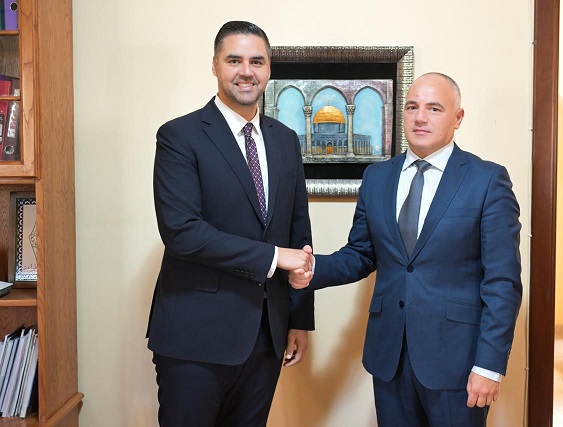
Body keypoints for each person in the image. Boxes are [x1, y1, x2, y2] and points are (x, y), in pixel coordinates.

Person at [290, 72, 522, 427]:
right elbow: (361, 254)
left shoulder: (487, 180)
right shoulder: (377, 177)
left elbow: (502, 282)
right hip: (389, 357)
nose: (420, 117)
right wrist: (311, 268)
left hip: (458, 362)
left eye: (434, 108)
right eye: (412, 107)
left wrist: (489, 365)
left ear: (458, 117)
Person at [146, 20, 314, 427]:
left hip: (267, 335)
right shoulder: (179, 136)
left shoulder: (285, 140)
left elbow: (299, 233)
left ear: (269, 69)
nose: (246, 71)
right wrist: (274, 257)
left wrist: (299, 319)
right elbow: (182, 232)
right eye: (234, 60)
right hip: (195, 338)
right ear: (215, 65)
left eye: (257, 61)